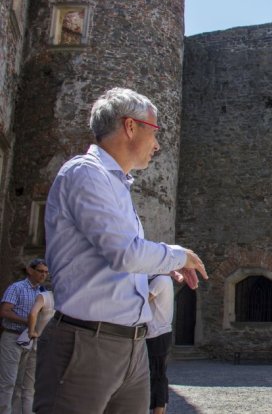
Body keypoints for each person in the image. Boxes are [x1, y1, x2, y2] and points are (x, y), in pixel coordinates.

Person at [35, 87, 209, 414]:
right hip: (86, 345)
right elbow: (125, 254)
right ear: (130, 127)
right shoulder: (84, 173)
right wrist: (178, 254)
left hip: (131, 348)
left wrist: (155, 268)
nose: (157, 144)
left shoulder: (116, 185)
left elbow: (118, 264)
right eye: (154, 131)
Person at [0, 259, 47, 414]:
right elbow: (4, 311)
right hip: (13, 337)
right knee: (8, 381)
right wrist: (27, 321)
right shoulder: (17, 287)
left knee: (22, 383)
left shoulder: (42, 292)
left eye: (46, 272)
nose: (44, 275)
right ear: (30, 270)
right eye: (40, 271)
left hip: (30, 340)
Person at [146, 275, 174, 414]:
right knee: (159, 374)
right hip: (160, 333)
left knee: (157, 375)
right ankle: (159, 409)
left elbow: (143, 300)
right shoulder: (165, 279)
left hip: (156, 334)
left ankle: (159, 410)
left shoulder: (160, 280)